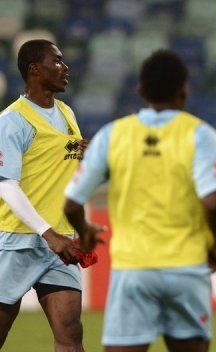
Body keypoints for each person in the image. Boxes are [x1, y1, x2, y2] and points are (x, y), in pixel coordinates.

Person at [64, 50, 216, 352]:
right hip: (186, 268)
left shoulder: (112, 135)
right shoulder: (200, 135)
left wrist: (85, 230)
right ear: (184, 89)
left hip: (134, 269)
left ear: (141, 91)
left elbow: (72, 203)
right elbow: (214, 204)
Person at [0, 39, 87, 351]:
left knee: (70, 334)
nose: (65, 68)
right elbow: (6, 185)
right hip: (18, 241)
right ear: (35, 69)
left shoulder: (66, 114)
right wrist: (47, 233)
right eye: (58, 61)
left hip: (60, 243)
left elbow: (63, 163)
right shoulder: (11, 121)